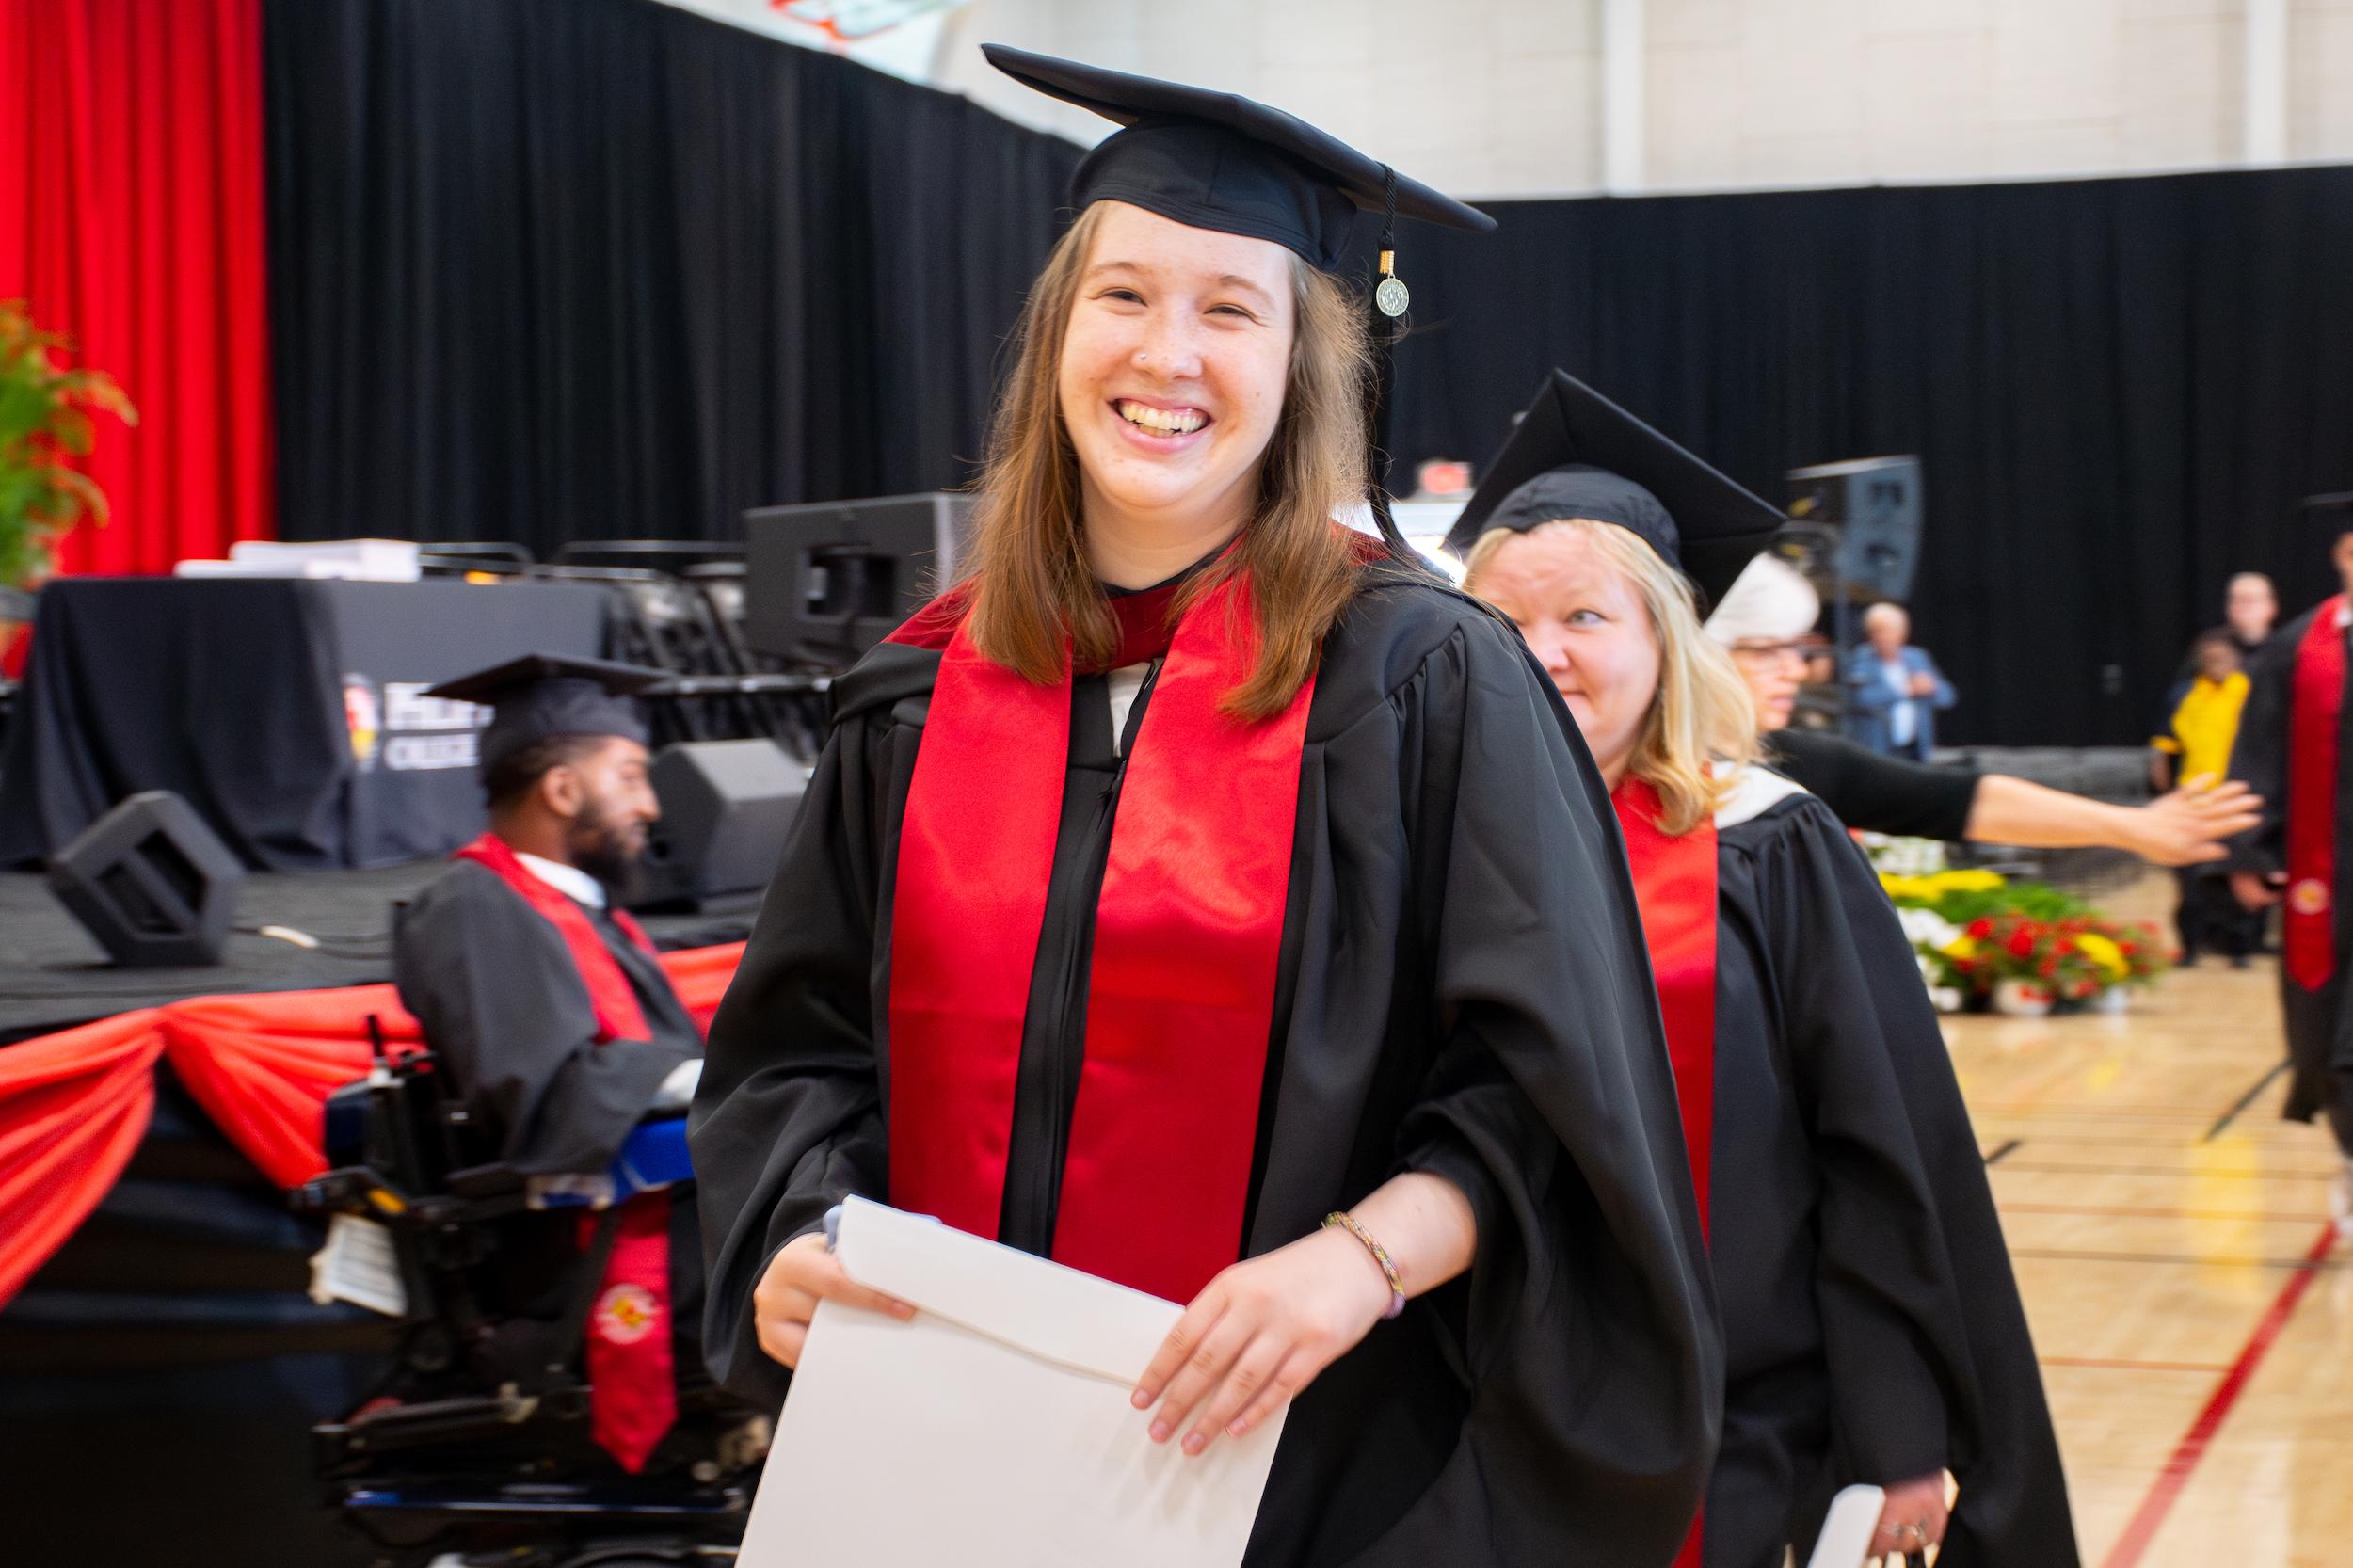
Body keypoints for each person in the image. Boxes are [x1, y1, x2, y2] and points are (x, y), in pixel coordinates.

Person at [690, 51, 1720, 1568]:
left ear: (1305, 361)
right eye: (1123, 295)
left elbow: (1556, 1092)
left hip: (1308, 1471)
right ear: (1055, 334)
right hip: (937, 1463)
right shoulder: (915, 697)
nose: (1166, 351)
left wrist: (1359, 1262)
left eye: (1229, 307)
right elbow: (800, 1052)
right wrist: (793, 1234)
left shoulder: (1430, 680)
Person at [1453, 370, 2078, 1568]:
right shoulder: (1423, 843)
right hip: (1474, 1417)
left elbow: (1879, 1152)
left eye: (1585, 617)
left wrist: (1899, 1432)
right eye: (1502, 622)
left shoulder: (1764, 843)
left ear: (1663, 636)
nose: (1541, 655)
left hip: (1738, 1425)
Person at [393, 652, 708, 1473]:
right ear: (564, 791)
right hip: (581, 1248)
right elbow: (556, 1095)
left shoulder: (580, 910)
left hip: (665, 1216)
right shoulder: (473, 907)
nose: (650, 803)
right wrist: (733, 1081)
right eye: (632, 776)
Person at [1712, 554, 2262, 862]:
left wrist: (2131, 827)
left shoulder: (1794, 764)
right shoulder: (1634, 778)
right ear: (1700, 657)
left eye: (1800, 651)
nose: (1797, 670)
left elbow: (1963, 800)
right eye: (1767, 651)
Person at [2229, 522, 2353, 1222]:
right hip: (2329, 873)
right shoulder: (2295, 650)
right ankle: (2351, 1152)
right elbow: (2257, 756)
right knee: (2325, 1030)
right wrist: (2249, 854)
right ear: (2341, 554)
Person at [2152, 632, 2258, 965]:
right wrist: (2166, 794)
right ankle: (2190, 948)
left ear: (2237, 659)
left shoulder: (2251, 692)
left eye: (2223, 657)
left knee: (2238, 878)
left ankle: (2240, 948)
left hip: (2240, 796)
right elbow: (2163, 750)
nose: (2217, 664)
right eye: (2209, 658)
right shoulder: (2185, 695)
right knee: (2189, 882)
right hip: (2195, 798)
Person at [1845, 600, 1954, 759]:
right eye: (1877, 631)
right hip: (1877, 748)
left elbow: (1948, 697)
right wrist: (1905, 690)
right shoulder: (1862, 658)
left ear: (1903, 632)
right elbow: (1860, 698)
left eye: (1889, 631)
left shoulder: (1918, 658)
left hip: (1916, 748)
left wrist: (1932, 687)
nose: (1883, 637)